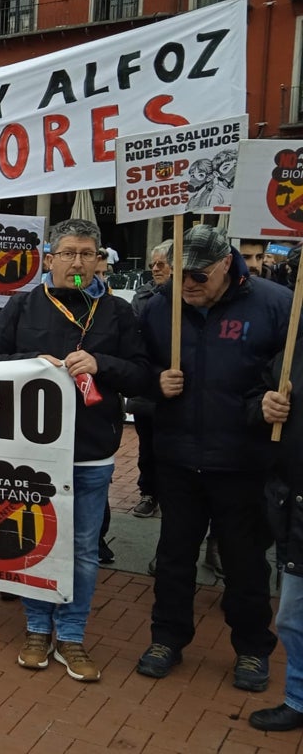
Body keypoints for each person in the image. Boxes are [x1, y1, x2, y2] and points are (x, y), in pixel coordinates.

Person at [0, 218, 151, 683]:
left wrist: (102, 363)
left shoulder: (117, 312)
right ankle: (37, 627)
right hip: (33, 451)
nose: (77, 262)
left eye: (86, 253)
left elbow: (141, 374)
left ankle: (71, 634)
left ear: (99, 260)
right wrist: (30, 365)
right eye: (68, 253)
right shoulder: (23, 305)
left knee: (82, 549)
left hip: (92, 450)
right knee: (35, 540)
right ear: (49, 259)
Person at [136, 224, 291, 692]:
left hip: (242, 460)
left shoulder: (274, 304)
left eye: (199, 276)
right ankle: (167, 638)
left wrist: (272, 401)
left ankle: (251, 647)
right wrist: (153, 386)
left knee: (245, 563)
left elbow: (290, 370)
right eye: (180, 274)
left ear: (227, 263)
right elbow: (136, 370)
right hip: (178, 457)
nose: (187, 285)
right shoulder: (159, 307)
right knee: (174, 557)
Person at [254, 317, 303, 730]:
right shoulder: (292, 353)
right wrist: (264, 405)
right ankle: (298, 698)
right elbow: (257, 399)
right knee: (290, 616)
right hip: (294, 502)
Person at [128, 241, 172, 520]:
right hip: (148, 384)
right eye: (152, 264)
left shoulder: (188, 297)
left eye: (161, 264)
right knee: (147, 444)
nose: (155, 269)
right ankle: (148, 492)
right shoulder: (142, 297)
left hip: (177, 386)